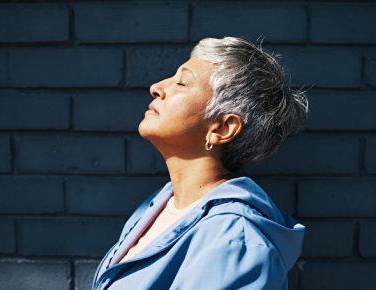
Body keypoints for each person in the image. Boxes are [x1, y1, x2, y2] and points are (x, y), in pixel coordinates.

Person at [92, 37, 309, 290]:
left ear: (222, 128)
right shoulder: (159, 206)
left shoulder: (235, 240)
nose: (156, 87)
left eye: (182, 82)